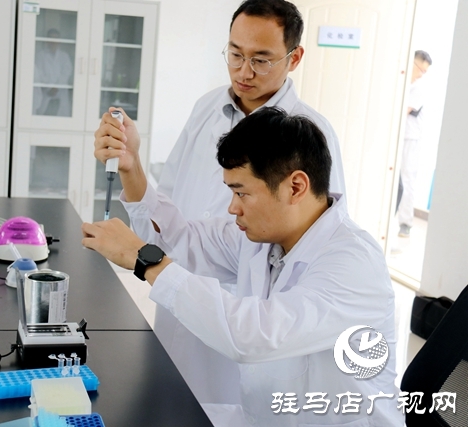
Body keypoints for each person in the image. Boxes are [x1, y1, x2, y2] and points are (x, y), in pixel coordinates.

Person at [94, 0, 346, 410]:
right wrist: (131, 164)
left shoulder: (310, 137)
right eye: (235, 54)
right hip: (179, 302)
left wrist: (149, 261)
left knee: (228, 407)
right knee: (168, 404)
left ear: (294, 57)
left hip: (246, 327)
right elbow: (173, 226)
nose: (244, 72)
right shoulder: (207, 108)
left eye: (261, 60)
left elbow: (309, 261)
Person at [83, 107, 401, 426]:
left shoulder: (354, 263)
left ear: (295, 187)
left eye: (241, 193)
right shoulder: (261, 239)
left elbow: (253, 335)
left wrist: (145, 260)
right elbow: (180, 242)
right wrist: (131, 167)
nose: (233, 207)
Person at [396, 50, 432, 238]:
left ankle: (405, 224)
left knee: (407, 179)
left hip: (410, 139)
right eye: (421, 70)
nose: (421, 75)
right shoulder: (401, 81)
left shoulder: (419, 88)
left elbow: (403, 111)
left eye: (425, 72)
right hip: (398, 137)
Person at [34, 28, 74, 117]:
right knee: (44, 118)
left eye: (55, 38)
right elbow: (38, 73)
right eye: (50, 38)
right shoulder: (40, 56)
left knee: (61, 119)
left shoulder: (64, 56)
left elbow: (67, 72)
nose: (53, 41)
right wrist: (50, 87)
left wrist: (57, 87)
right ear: (47, 40)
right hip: (46, 92)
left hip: (60, 92)